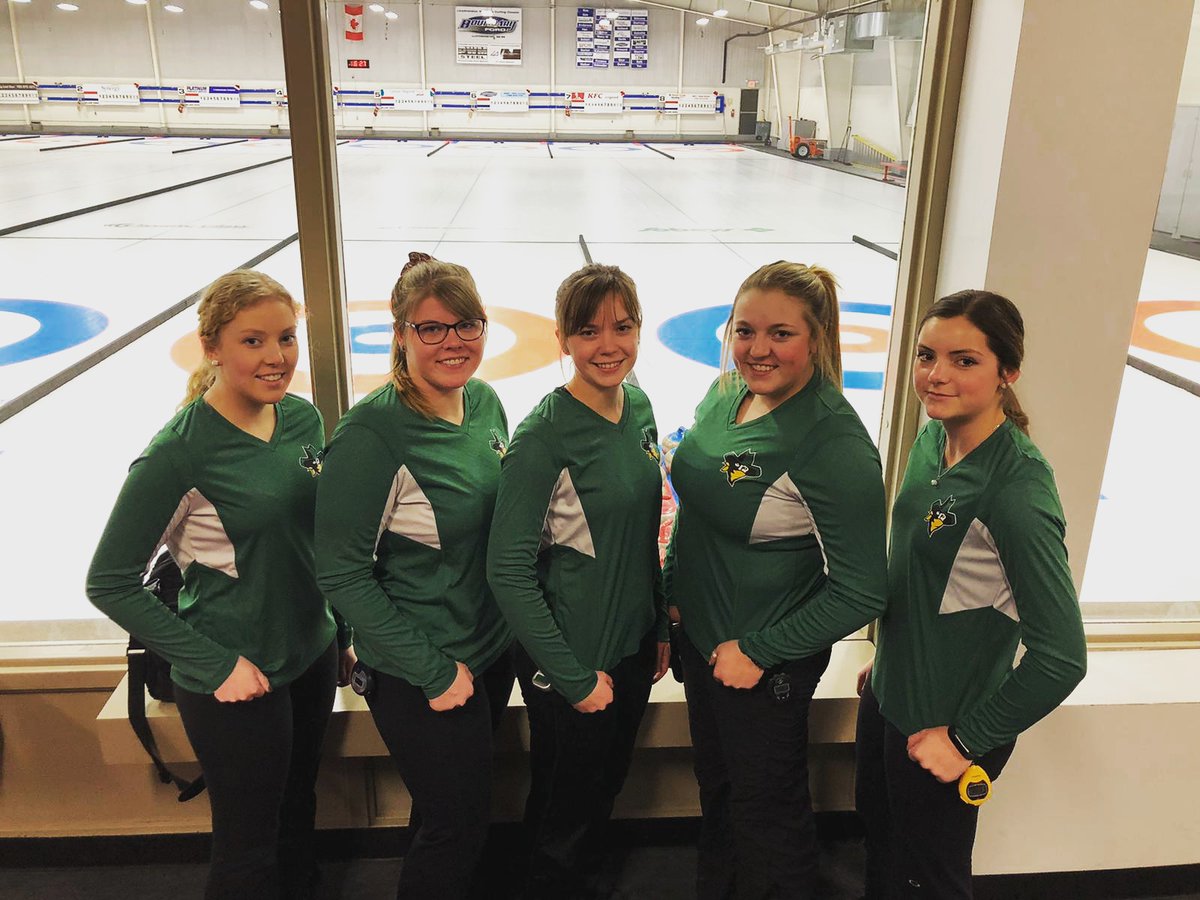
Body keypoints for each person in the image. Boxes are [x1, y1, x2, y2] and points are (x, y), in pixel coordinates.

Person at [86, 270, 352, 900]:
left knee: (296, 817)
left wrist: (337, 629)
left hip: (310, 655)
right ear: (212, 347)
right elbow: (109, 582)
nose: (277, 357)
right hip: (233, 673)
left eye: (285, 338)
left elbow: (307, 541)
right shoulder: (177, 455)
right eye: (253, 341)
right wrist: (214, 663)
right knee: (247, 848)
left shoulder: (302, 420)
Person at [663, 260, 889, 899]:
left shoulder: (832, 443)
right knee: (721, 792)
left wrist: (759, 651)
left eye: (781, 334)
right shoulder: (724, 394)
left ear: (816, 340)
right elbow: (697, 507)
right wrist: (675, 592)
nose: (757, 349)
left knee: (768, 811)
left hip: (764, 664)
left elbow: (862, 589)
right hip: (704, 644)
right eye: (744, 330)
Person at [854, 289, 1088, 899]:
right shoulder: (934, 441)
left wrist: (965, 741)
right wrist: (891, 660)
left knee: (929, 881)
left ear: (1007, 373)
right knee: (882, 856)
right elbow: (926, 577)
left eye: (965, 361)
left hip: (944, 726)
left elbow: (1062, 657)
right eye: (926, 356)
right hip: (888, 699)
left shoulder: (1016, 494)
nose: (936, 375)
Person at [314, 252, 513, 900]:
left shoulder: (483, 404)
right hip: (418, 667)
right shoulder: (372, 436)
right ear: (400, 334)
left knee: (447, 817)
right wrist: (431, 668)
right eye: (431, 328)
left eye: (467, 324)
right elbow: (341, 574)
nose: (452, 341)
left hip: (486, 653)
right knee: (457, 827)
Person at [487, 263, 671, 900]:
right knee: (564, 811)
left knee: (599, 794)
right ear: (562, 339)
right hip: (570, 658)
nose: (608, 344)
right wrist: (571, 675)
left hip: (631, 645)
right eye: (588, 330)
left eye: (623, 327)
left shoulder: (639, 405)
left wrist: (659, 623)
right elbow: (507, 570)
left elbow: (645, 531)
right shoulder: (544, 437)